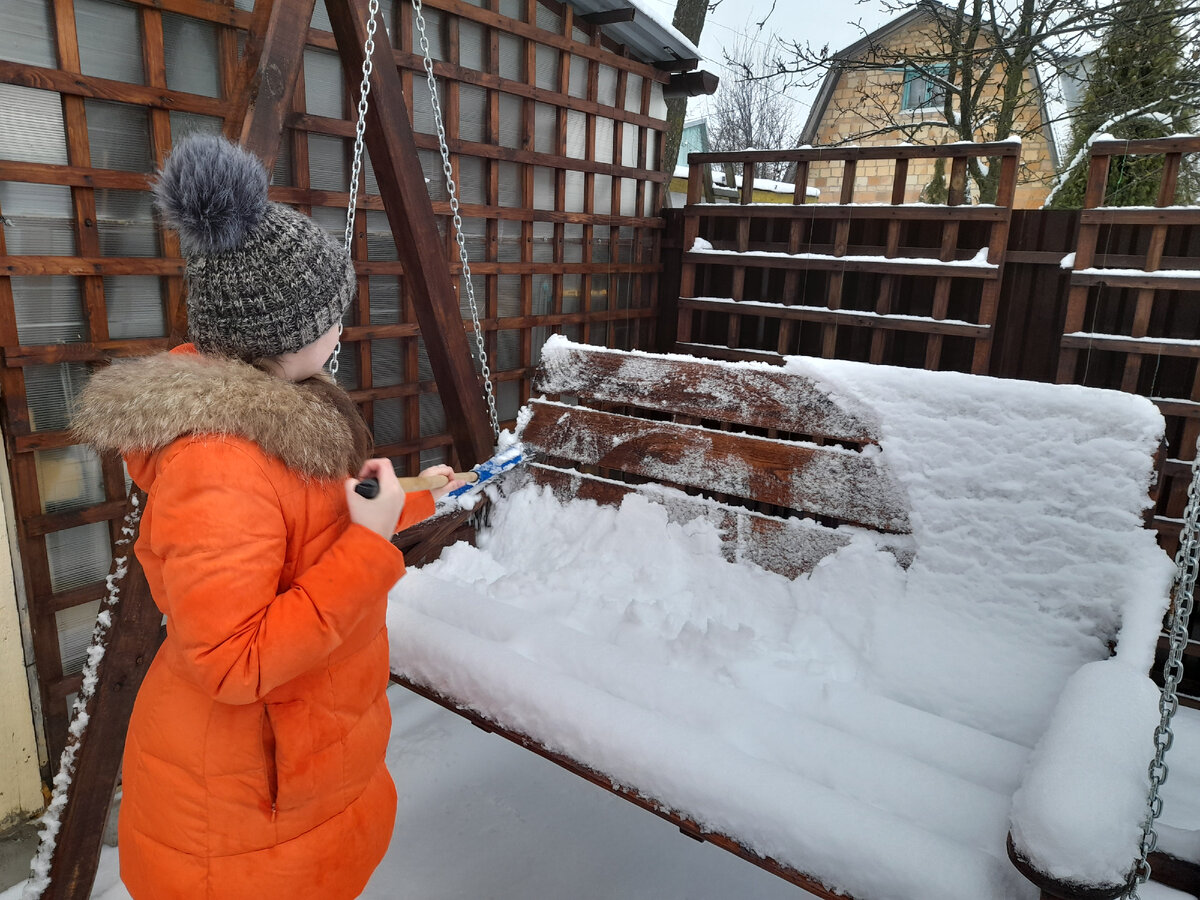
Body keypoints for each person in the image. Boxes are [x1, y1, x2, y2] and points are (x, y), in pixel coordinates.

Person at [72, 134, 464, 899]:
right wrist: (369, 548)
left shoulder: (283, 414)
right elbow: (232, 659)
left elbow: (317, 518)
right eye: (330, 317)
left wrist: (415, 494)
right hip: (236, 809)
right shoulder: (218, 464)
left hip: (291, 773)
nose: (340, 330)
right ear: (279, 336)